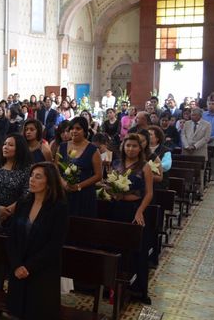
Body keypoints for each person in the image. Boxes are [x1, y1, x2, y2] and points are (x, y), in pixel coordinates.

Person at [7, 162, 67, 320]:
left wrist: (28, 267)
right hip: (19, 269)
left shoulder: (58, 208)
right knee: (24, 315)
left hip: (42, 272)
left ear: (49, 183)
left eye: (38, 177)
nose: (32, 180)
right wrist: (16, 264)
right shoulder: (23, 203)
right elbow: (12, 237)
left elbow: (54, 246)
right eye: (32, 176)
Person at [109, 134, 154, 304]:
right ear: (123, 146)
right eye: (128, 145)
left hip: (134, 210)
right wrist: (113, 192)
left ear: (140, 148)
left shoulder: (145, 167)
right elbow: (110, 185)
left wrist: (140, 211)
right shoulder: (117, 164)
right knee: (117, 247)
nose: (131, 149)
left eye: (134, 146)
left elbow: (149, 193)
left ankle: (137, 290)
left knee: (137, 250)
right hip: (117, 209)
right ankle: (114, 287)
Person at [57, 117, 102, 218]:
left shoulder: (93, 150)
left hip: (85, 194)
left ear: (85, 131)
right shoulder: (62, 147)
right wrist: (64, 183)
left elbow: (99, 175)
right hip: (65, 192)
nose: (74, 131)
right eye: (72, 128)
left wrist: (78, 186)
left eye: (78, 128)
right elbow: (56, 169)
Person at [0, 133, 33, 232]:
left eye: (10, 145)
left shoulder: (27, 169)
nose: (5, 147)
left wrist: (8, 211)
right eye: (5, 144)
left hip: (14, 216)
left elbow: (27, 194)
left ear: (20, 148)